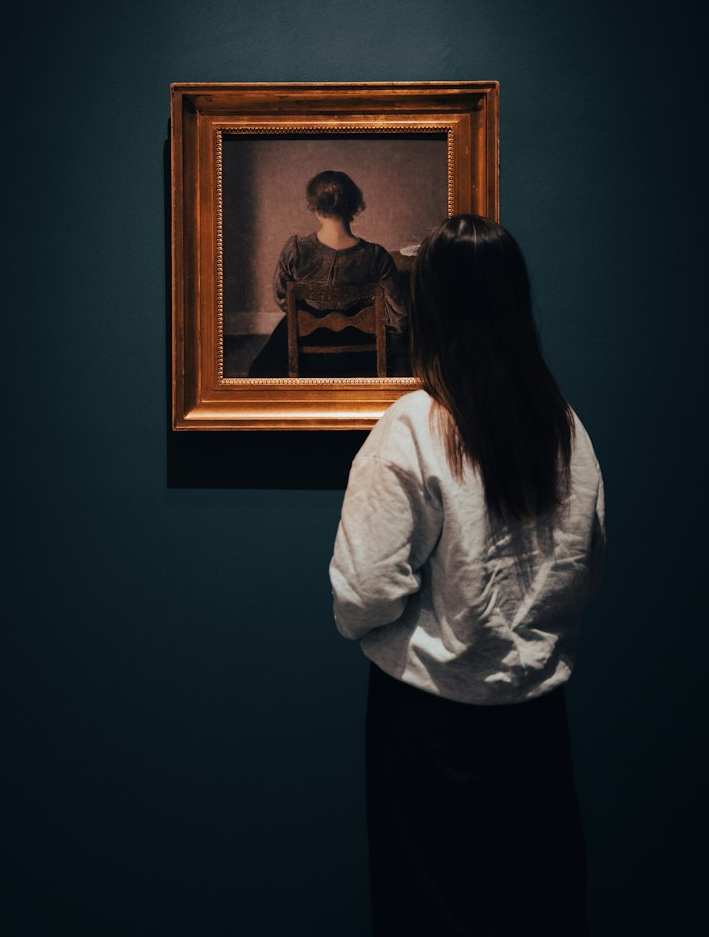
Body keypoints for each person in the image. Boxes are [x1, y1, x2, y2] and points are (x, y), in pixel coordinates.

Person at [330, 215, 605, 936]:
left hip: (429, 725)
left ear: (430, 305)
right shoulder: (563, 425)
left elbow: (360, 594)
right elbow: (583, 562)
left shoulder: (412, 428)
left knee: (431, 914)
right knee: (536, 909)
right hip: (537, 720)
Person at [248, 170, 409, 376]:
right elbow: (398, 314)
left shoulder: (296, 249)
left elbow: (282, 296)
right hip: (358, 355)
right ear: (353, 205)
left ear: (314, 208)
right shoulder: (376, 255)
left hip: (306, 350)